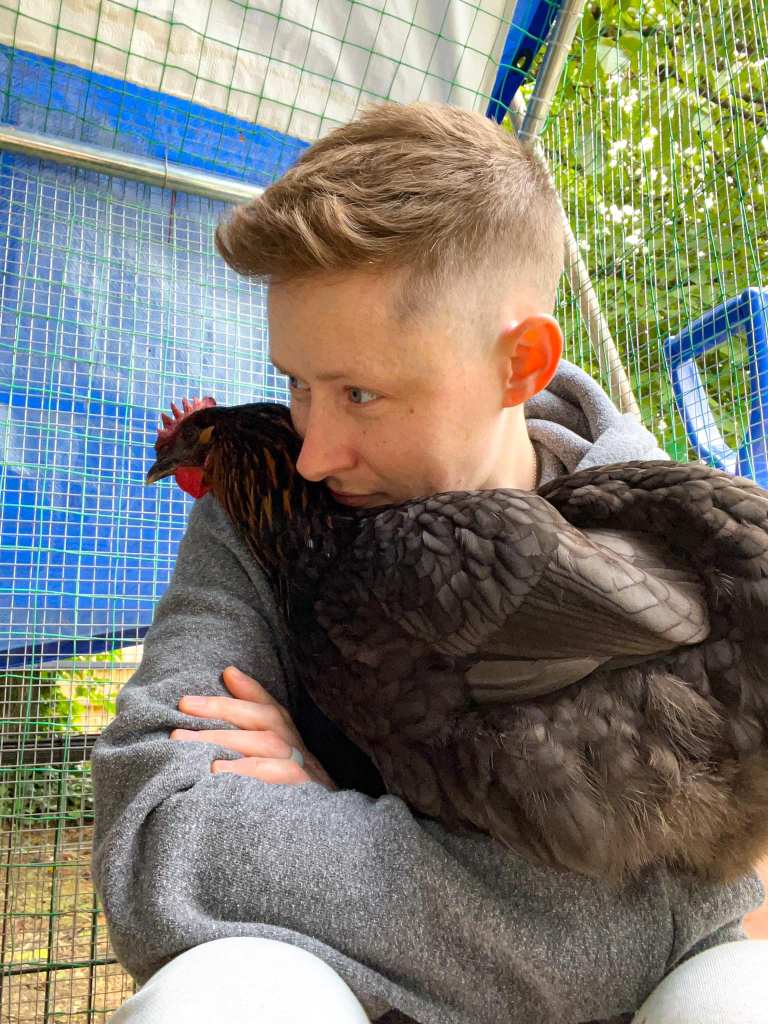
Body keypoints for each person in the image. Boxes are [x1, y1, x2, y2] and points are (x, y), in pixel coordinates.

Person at [91, 101, 767, 1024]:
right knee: (215, 1001)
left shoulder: (660, 539)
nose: (313, 454)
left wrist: (324, 808)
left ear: (520, 365)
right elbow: (162, 848)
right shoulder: (257, 520)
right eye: (296, 383)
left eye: (361, 394)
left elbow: (711, 874)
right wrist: (597, 910)